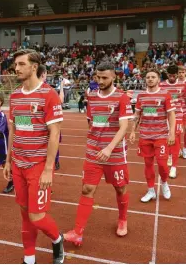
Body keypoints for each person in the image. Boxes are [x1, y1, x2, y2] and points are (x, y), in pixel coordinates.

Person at [3, 49, 64, 264]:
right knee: (24, 212)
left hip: (38, 165)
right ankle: (29, 256)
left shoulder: (49, 95)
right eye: (15, 65)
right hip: (18, 163)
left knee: (37, 216)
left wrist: (48, 169)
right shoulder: (15, 96)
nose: (16, 69)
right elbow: (14, 130)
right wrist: (8, 160)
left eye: (20, 64)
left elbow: (54, 133)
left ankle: (57, 239)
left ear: (34, 67)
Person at [64, 61, 134, 246]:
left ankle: (123, 219)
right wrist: (96, 143)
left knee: (120, 188)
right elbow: (91, 123)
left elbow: (124, 126)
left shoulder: (121, 98)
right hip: (94, 151)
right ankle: (78, 232)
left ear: (113, 77)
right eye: (98, 77)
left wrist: (109, 147)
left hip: (115, 153)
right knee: (87, 189)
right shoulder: (92, 97)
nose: (100, 80)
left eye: (104, 77)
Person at [130, 69, 175, 202]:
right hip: (145, 136)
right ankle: (151, 190)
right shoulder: (141, 96)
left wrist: (171, 133)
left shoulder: (165, 94)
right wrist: (133, 130)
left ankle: (164, 183)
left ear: (158, 79)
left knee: (162, 164)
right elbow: (137, 115)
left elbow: (171, 115)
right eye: (148, 77)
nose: (150, 79)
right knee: (148, 164)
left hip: (161, 136)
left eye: (153, 77)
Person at [160, 65, 186, 178]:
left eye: (174, 75)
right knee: (166, 139)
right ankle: (170, 155)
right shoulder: (162, 85)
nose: (172, 77)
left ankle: (174, 168)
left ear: (177, 74)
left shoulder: (183, 85)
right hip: (165, 115)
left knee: (175, 139)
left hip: (178, 115)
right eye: (170, 75)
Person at [37, 64, 63, 171]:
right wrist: (62, 86)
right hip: (49, 121)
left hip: (38, 124)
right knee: (53, 139)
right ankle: (54, 161)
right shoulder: (47, 88)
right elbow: (60, 100)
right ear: (44, 74)